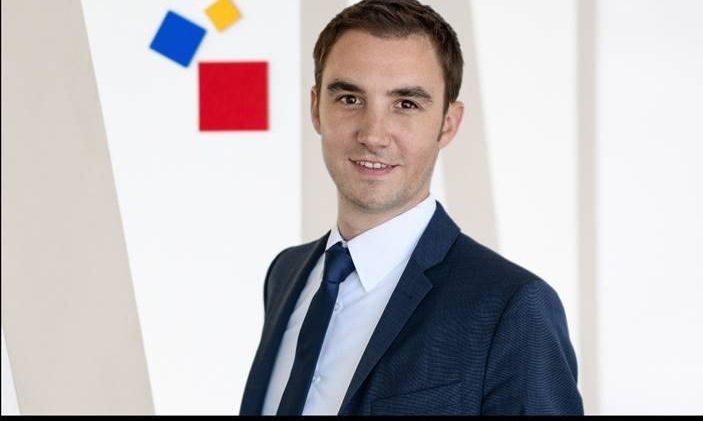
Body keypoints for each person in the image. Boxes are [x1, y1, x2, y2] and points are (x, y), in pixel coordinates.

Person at [240, 0, 583, 415]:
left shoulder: (513, 308)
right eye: (349, 98)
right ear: (316, 108)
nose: (373, 135)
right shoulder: (287, 273)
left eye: (406, 104)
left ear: (448, 123)